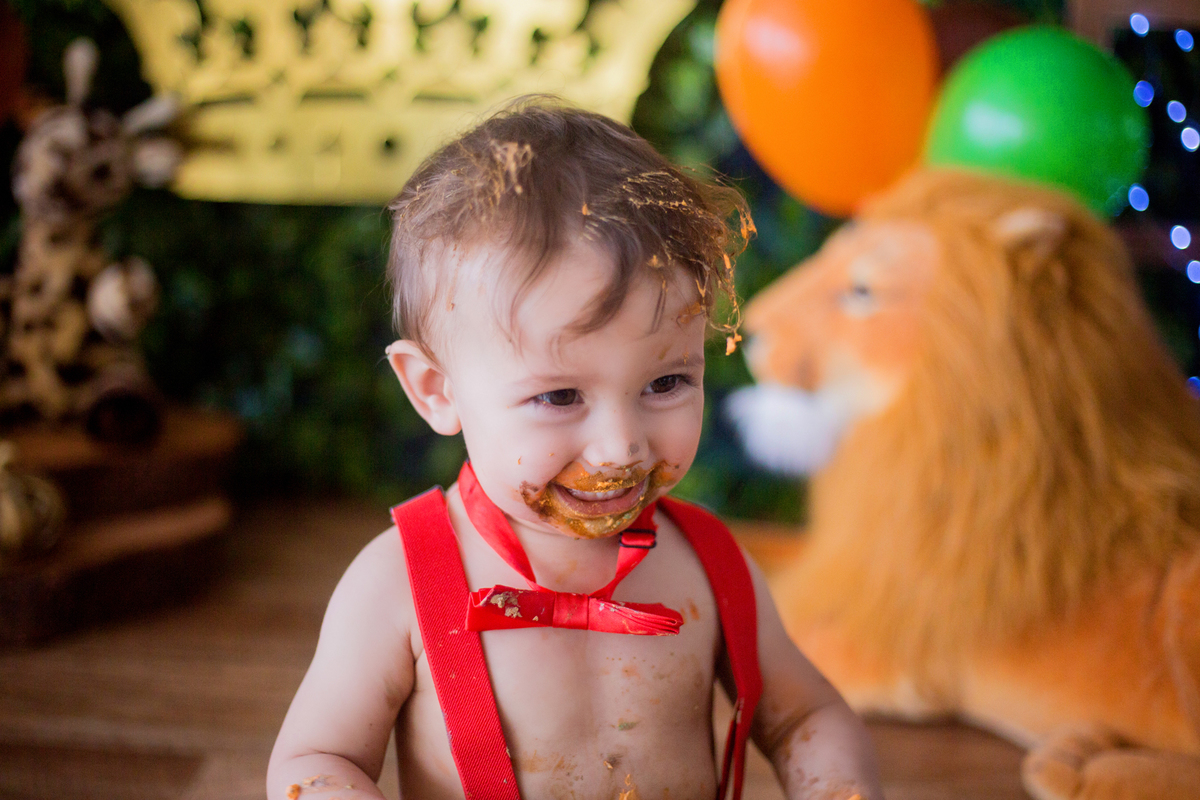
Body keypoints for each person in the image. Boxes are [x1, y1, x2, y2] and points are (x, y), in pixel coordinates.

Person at [267, 97, 883, 800]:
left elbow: (807, 713)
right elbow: (316, 761)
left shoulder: (710, 568)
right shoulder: (398, 584)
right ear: (437, 389)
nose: (620, 446)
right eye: (560, 397)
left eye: (667, 381)